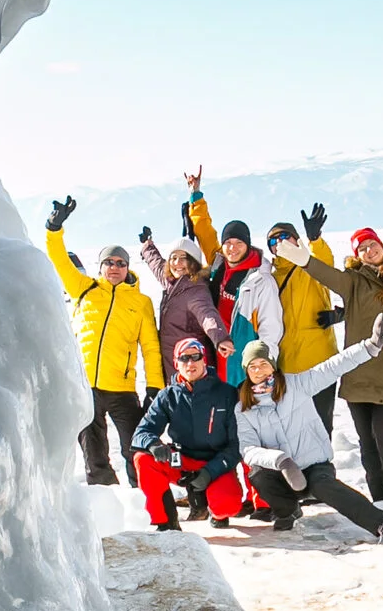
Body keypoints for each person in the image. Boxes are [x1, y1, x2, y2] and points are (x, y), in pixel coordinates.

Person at [275, 225, 383, 505]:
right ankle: (381, 499)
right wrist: (304, 258)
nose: (369, 251)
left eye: (372, 245)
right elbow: (326, 275)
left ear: (382, 246)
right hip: (358, 372)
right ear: (356, 255)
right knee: (366, 441)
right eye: (361, 248)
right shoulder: (353, 281)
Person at [235, 331, 383, 543]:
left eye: (263, 363)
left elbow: (332, 367)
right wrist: (281, 460)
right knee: (258, 475)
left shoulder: (296, 385)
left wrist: (368, 347)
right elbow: (248, 449)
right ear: (246, 371)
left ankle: (382, 524)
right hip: (282, 472)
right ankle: (288, 511)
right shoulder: (244, 408)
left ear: (273, 364)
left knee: (325, 486)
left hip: (314, 467)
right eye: (252, 366)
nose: (258, 370)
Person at [45, 197, 163, 486]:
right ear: (100, 266)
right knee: (93, 452)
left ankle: (146, 500)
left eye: (120, 263)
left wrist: (154, 386)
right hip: (86, 386)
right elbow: (59, 259)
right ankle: (106, 504)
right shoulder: (84, 290)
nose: (114, 268)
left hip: (122, 388)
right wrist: (54, 227)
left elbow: (150, 347)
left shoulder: (141, 302)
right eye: (109, 262)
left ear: (127, 268)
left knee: (135, 447)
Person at [133, 337, 247, 530]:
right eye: (184, 358)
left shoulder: (227, 394)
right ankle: (165, 522)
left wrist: (210, 472)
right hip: (182, 460)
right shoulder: (167, 395)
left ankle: (215, 511)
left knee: (227, 506)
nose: (190, 363)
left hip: (216, 462)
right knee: (143, 459)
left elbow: (237, 444)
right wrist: (153, 444)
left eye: (195, 357)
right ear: (176, 363)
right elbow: (142, 432)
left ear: (205, 360)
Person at [183, 169, 281, 379]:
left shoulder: (261, 279)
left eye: (238, 243)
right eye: (228, 243)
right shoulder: (219, 263)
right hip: (216, 350)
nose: (232, 248)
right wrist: (195, 195)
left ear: (247, 244)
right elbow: (204, 231)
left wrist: (264, 366)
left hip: (244, 360)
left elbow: (271, 327)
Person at [266, 203, 339, 434]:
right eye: (273, 241)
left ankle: (324, 470)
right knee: (292, 430)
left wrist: (315, 239)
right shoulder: (268, 277)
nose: (280, 243)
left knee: (321, 427)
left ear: (297, 240)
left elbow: (325, 262)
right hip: (287, 367)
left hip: (320, 362)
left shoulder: (310, 267)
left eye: (285, 237)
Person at [138, 224, 233, 378]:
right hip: (174, 367)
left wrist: (221, 338)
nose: (177, 263)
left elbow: (208, 315)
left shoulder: (197, 290)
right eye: (173, 258)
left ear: (194, 262)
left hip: (192, 368)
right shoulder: (171, 281)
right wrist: (147, 245)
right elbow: (156, 263)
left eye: (184, 258)